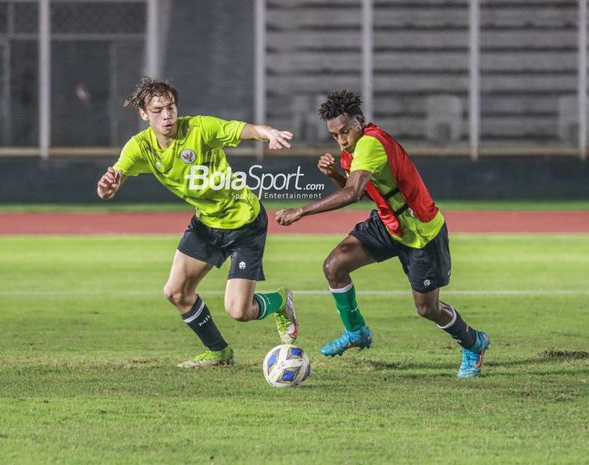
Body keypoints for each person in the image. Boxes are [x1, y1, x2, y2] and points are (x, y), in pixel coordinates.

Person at [275, 90, 489, 378]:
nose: (341, 140)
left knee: (427, 308)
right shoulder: (353, 147)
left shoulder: (371, 144)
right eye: (335, 135)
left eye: (345, 132)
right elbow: (364, 193)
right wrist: (335, 175)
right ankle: (357, 332)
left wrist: (301, 211)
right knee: (334, 265)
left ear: (360, 121)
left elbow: (352, 194)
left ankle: (473, 343)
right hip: (389, 222)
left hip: (420, 232)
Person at [97, 77, 298, 368]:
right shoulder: (139, 147)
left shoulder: (200, 128)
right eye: (158, 110)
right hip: (206, 225)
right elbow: (112, 182)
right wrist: (106, 188)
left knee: (239, 311)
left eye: (171, 107)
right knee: (176, 292)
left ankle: (280, 301)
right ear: (143, 113)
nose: (167, 115)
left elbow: (243, 129)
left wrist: (269, 133)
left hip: (244, 223)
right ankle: (219, 352)